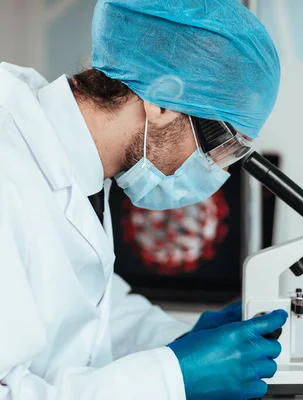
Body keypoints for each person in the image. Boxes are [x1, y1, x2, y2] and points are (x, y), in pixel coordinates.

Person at [0, 0, 287, 399]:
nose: (218, 172)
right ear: (163, 100)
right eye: (222, 147)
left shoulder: (80, 163)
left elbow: (88, 311)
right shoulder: (8, 171)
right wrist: (172, 379)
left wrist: (182, 341)